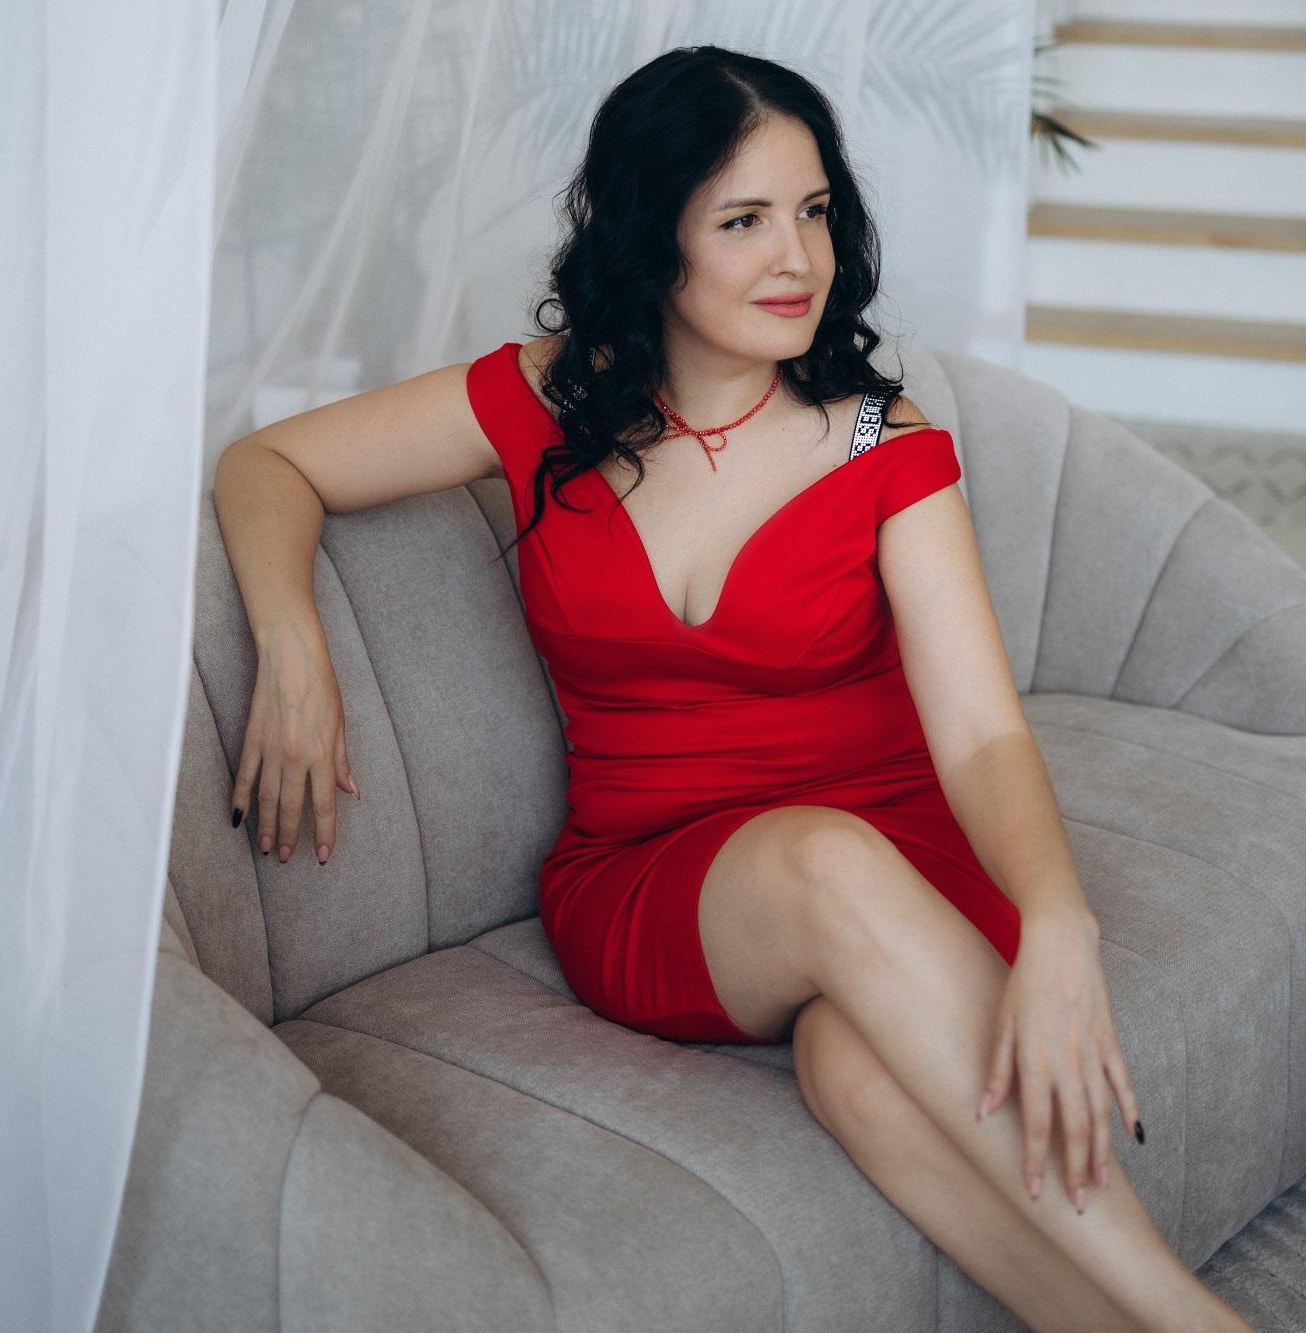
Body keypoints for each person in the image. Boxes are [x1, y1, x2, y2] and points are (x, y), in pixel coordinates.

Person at [210, 43, 1253, 1333]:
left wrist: (1059, 923)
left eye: (814, 211)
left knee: (856, 1076)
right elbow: (268, 465)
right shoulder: (549, 398)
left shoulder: (881, 440)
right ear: (656, 237)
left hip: (900, 858)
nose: (798, 258)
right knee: (824, 865)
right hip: (651, 881)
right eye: (745, 221)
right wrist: (294, 648)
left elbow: (983, 735)